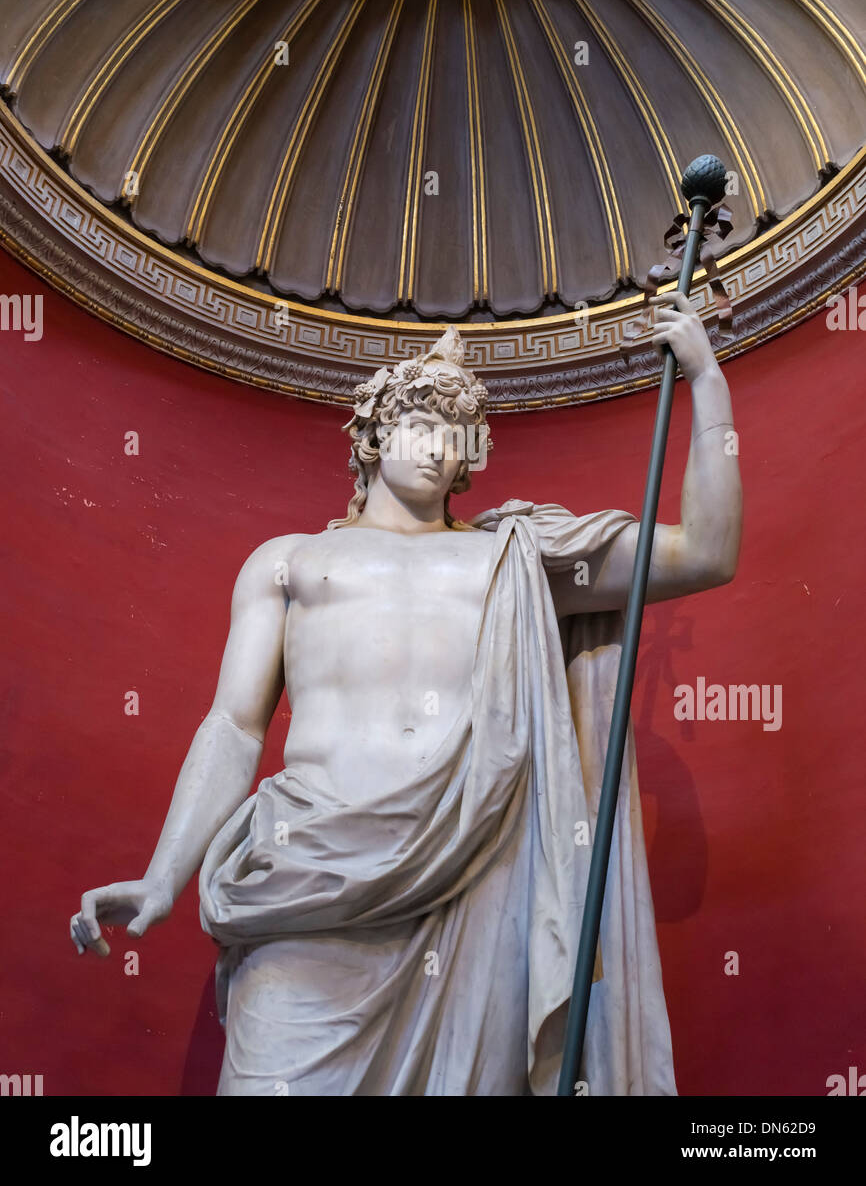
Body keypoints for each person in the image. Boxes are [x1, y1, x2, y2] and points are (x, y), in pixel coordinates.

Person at [71, 296, 741, 1095]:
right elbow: (234, 727)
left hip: (472, 885)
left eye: (458, 433)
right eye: (421, 420)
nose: (438, 445)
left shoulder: (518, 559)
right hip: (307, 881)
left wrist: (706, 379)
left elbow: (706, 553)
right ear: (373, 435)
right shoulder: (289, 563)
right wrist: (162, 875)